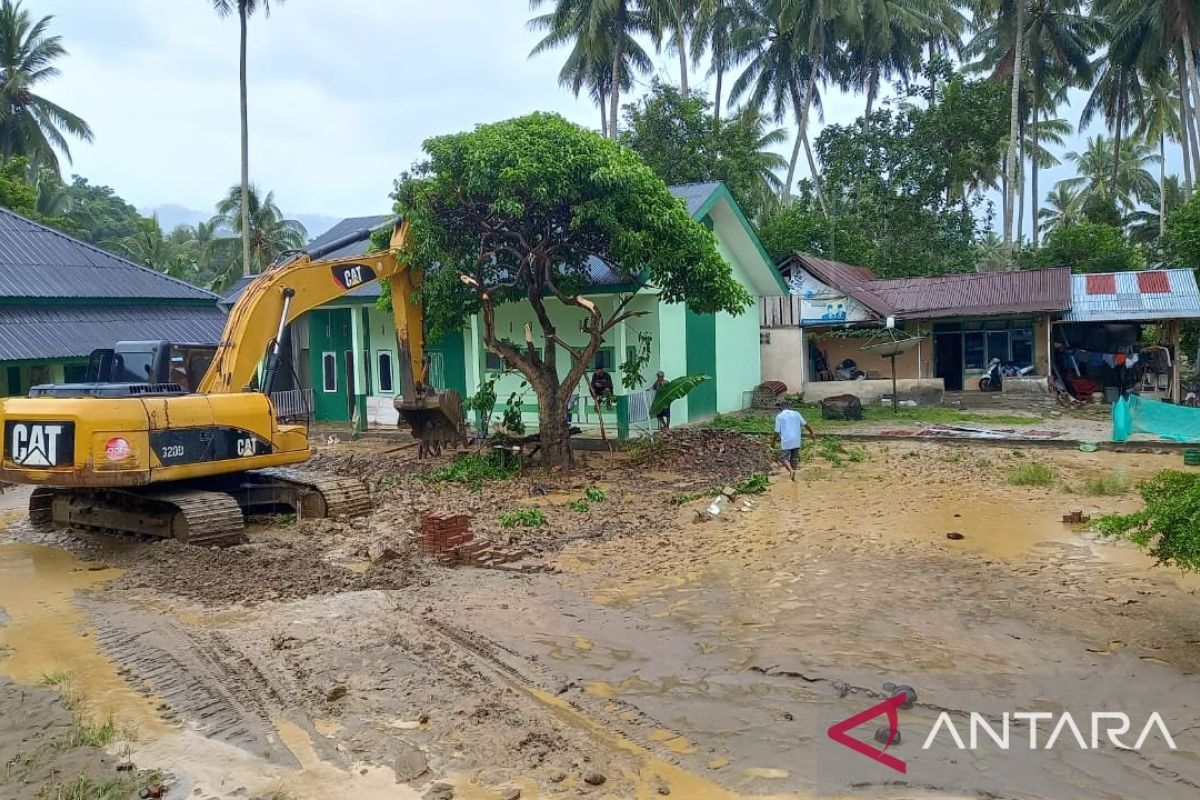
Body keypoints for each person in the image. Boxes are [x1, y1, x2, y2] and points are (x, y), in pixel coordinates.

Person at [773, 401, 814, 481]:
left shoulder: (779, 416)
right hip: (796, 440)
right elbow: (805, 424)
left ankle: (791, 470)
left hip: (786, 441)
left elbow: (777, 431)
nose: (778, 409)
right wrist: (811, 432)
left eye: (779, 407)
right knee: (794, 459)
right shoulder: (796, 413)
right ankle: (793, 477)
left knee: (783, 458)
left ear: (781, 407)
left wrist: (773, 442)